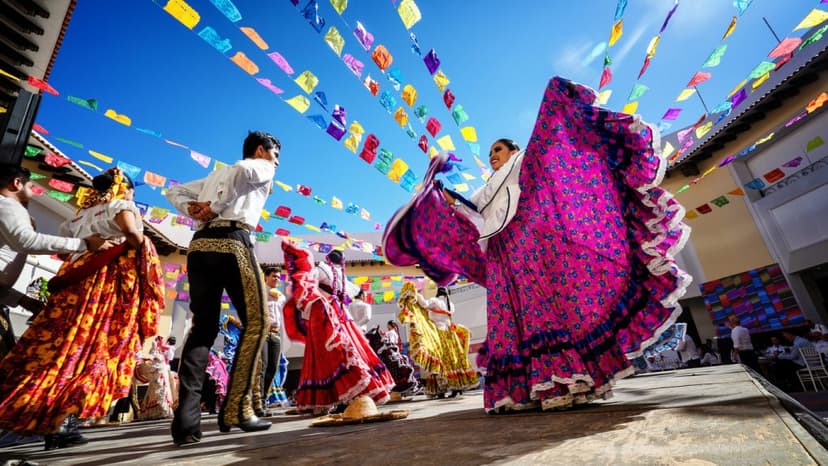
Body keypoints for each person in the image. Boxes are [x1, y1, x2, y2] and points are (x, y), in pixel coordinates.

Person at [383, 77, 691, 412]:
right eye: (490, 154)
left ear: (513, 150)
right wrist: (440, 199)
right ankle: (524, 389)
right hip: (501, 255)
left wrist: (556, 102)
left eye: (497, 150)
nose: (493, 156)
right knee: (510, 318)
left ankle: (567, 378)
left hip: (531, 247)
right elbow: (468, 214)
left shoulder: (525, 163)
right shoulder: (487, 187)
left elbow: (550, 163)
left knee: (543, 310)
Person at [0, 168, 164, 449]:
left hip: (72, 284)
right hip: (103, 285)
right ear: (122, 188)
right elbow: (132, 234)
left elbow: (64, 253)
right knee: (91, 350)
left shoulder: (78, 216)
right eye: (131, 190)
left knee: (58, 349)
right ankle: (62, 421)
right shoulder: (122, 206)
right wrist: (139, 246)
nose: (132, 195)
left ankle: (51, 418)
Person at [167, 131, 280, 445]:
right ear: (261, 150)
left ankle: (186, 425)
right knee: (259, 322)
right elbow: (246, 171)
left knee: (203, 328)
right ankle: (237, 408)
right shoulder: (259, 166)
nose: (277, 161)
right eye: (276, 153)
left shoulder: (214, 174)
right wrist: (216, 207)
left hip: (200, 246)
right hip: (232, 243)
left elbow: (173, 191)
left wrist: (194, 210)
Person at [0, 164, 111, 358]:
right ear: (17, 183)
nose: (33, 191)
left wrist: (22, 300)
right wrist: (84, 243)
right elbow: (27, 241)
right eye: (30, 186)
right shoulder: (7, 205)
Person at [281, 242, 395, 414]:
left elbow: (306, 285)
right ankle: (349, 397)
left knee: (329, 357)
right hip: (343, 317)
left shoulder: (322, 270)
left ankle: (343, 397)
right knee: (348, 354)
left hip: (328, 318)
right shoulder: (343, 277)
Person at [397, 283, 479, 399]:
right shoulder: (450, 304)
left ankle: (442, 388)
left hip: (439, 334)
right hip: (451, 334)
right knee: (454, 360)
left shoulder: (435, 301)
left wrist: (415, 293)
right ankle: (457, 386)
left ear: (438, 292)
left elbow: (424, 304)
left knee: (440, 360)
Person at [255, 267, 284, 416]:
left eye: (278, 277)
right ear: (266, 277)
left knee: (273, 367)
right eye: (274, 276)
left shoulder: (281, 296)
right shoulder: (260, 292)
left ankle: (264, 401)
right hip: (263, 333)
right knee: (263, 367)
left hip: (276, 334)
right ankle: (258, 403)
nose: (277, 279)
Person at [134, 336, 178, 420]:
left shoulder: (169, 348)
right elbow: (153, 356)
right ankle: (159, 410)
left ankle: (163, 410)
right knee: (156, 389)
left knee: (163, 389)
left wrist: (159, 346)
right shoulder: (162, 348)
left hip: (163, 371)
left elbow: (167, 356)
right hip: (159, 371)